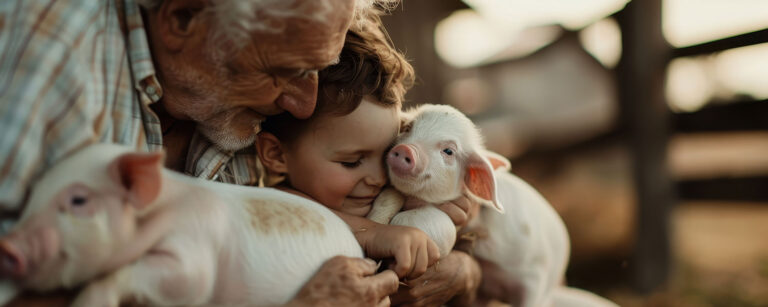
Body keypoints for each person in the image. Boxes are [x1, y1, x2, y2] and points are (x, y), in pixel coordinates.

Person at [0, 0, 479, 305]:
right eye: (282, 70)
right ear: (181, 18)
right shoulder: (58, 41)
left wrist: (460, 270)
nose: (303, 104)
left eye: (315, 70)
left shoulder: (239, 104)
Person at [257, 15, 483, 306]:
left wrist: (464, 267)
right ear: (276, 155)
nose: (380, 176)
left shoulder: (403, 197)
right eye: (351, 162)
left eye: (391, 150)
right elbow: (278, 204)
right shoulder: (263, 213)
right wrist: (373, 233)